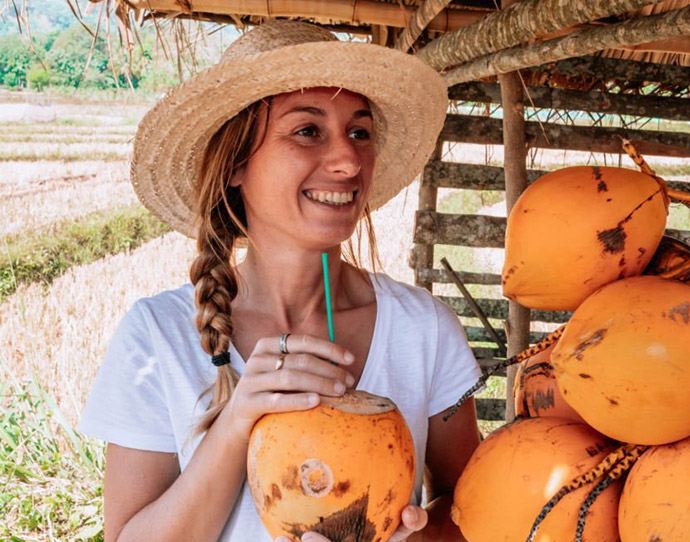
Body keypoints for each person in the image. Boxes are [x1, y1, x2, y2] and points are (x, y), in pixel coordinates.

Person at [77, 20, 482, 542]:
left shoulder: (423, 329)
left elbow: (476, 508)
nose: (348, 160)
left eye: (359, 132)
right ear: (235, 164)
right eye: (308, 131)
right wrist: (238, 420)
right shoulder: (157, 336)